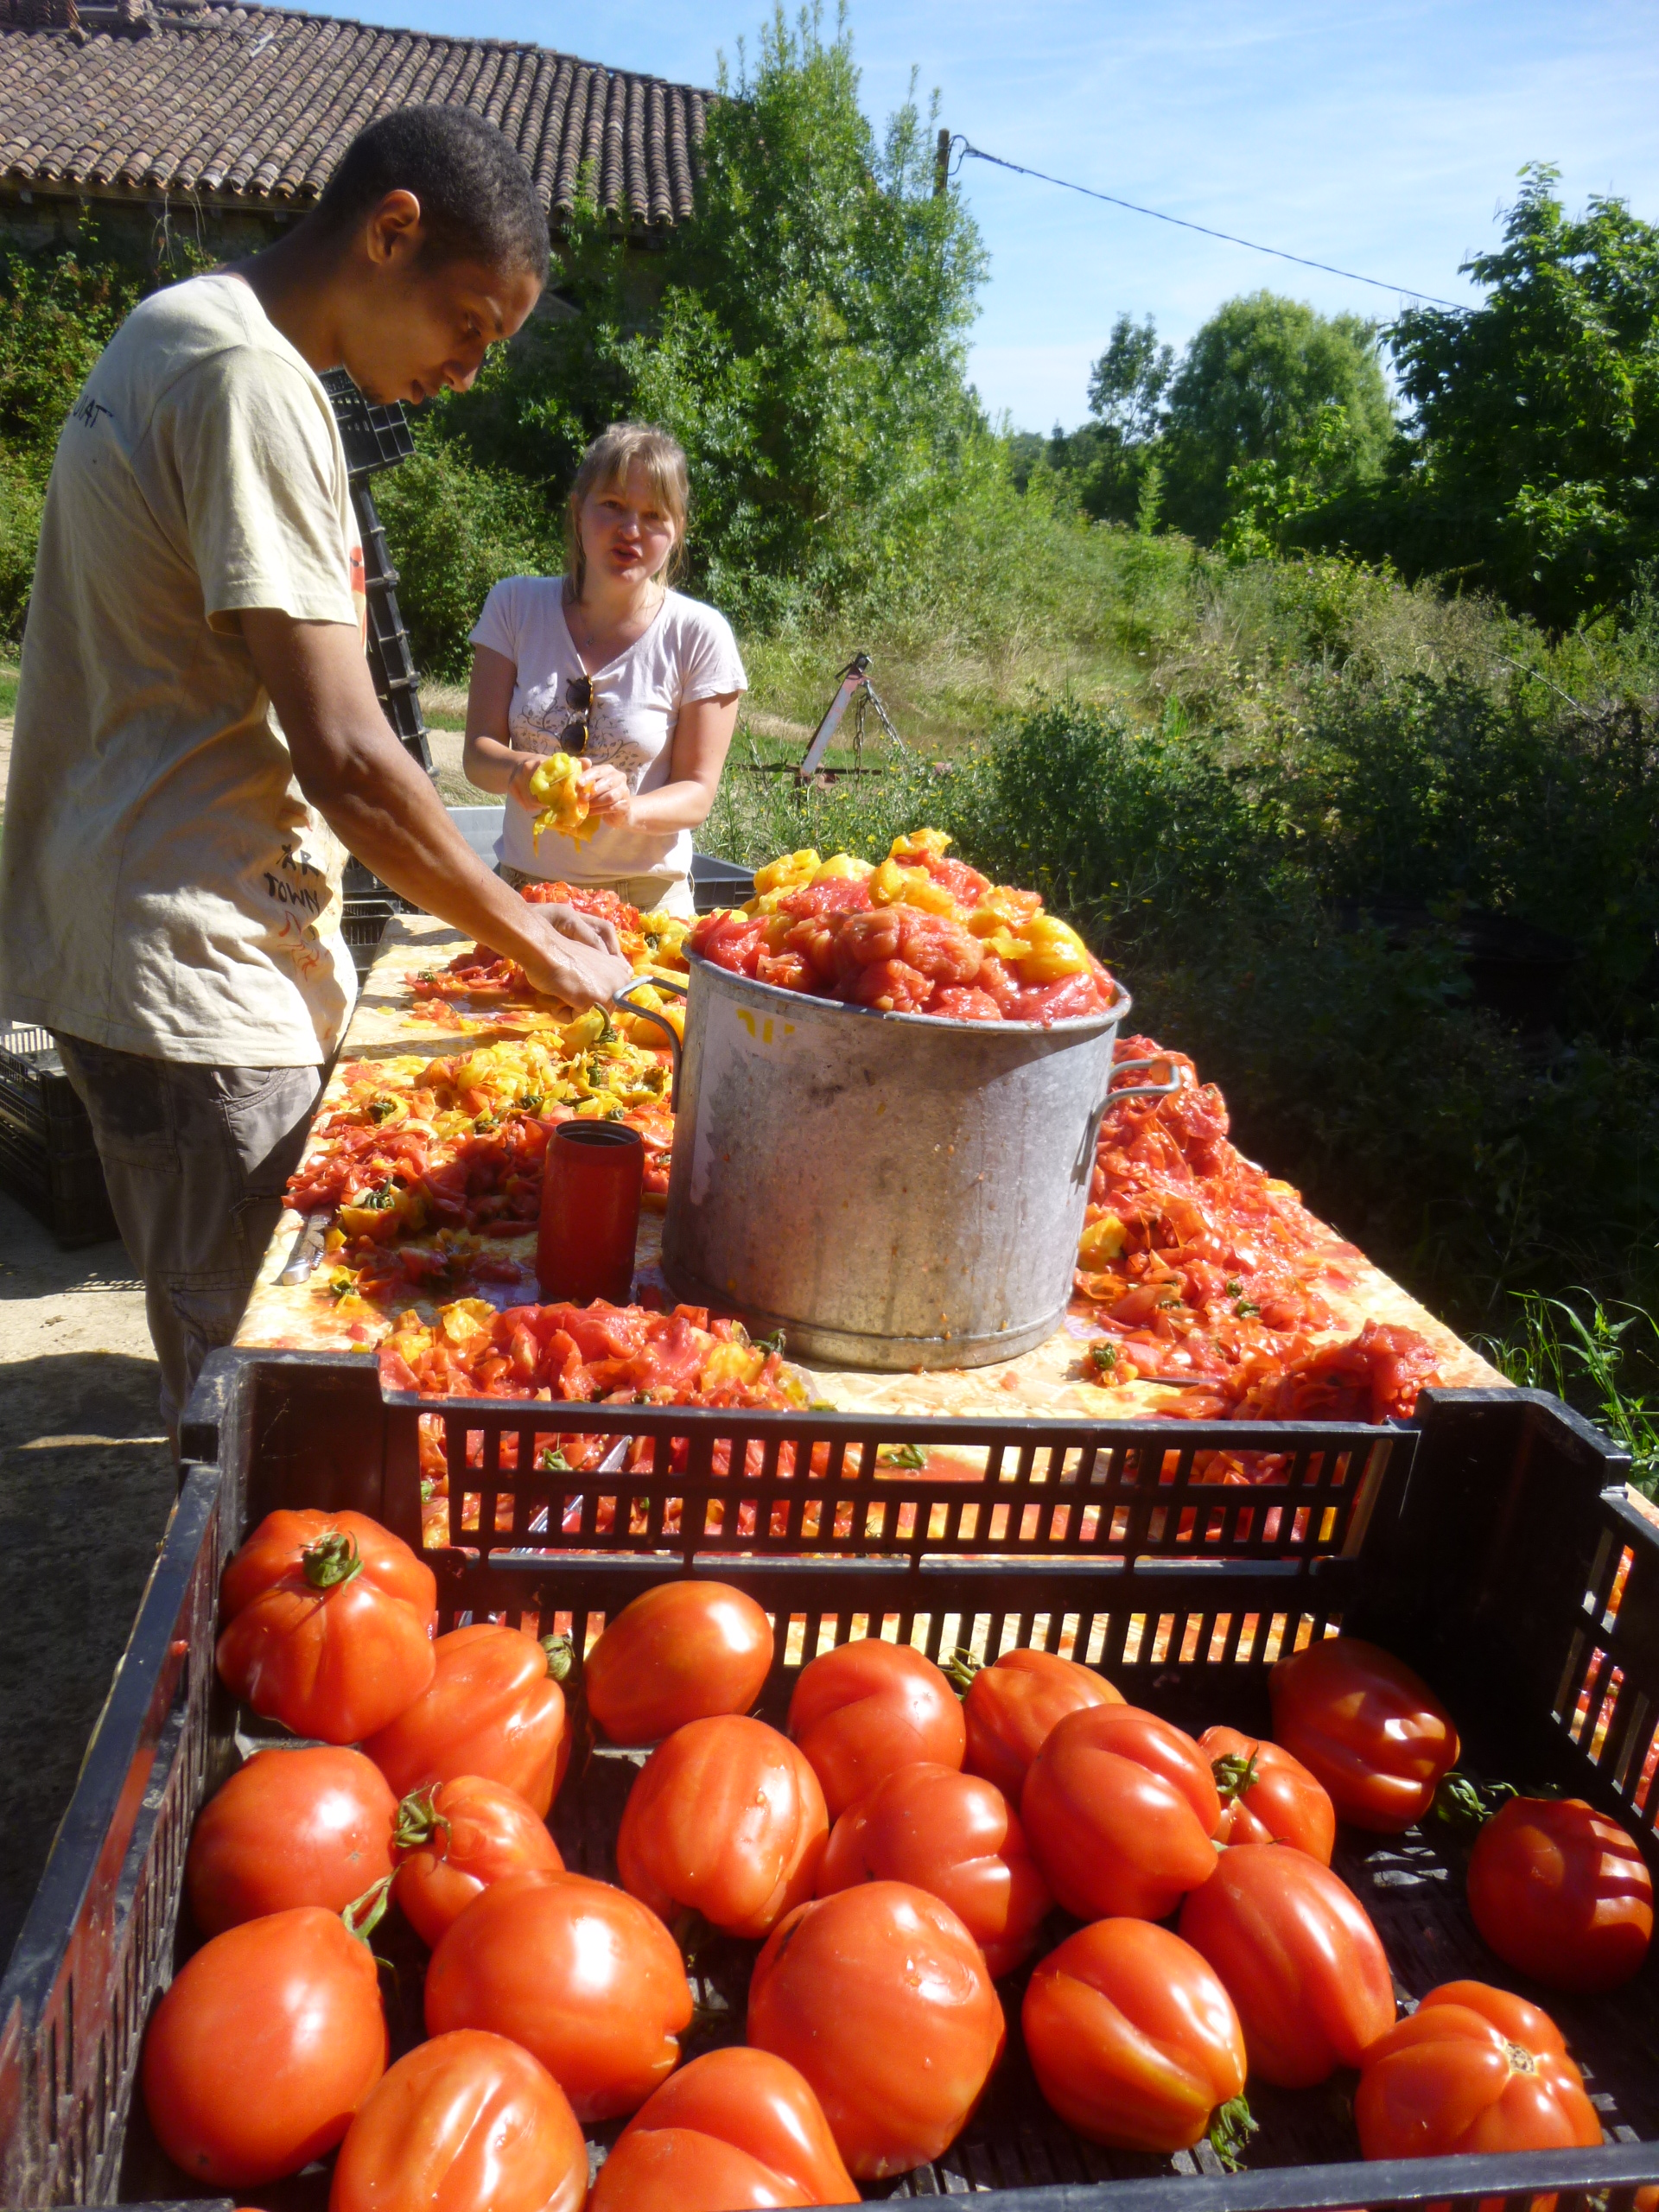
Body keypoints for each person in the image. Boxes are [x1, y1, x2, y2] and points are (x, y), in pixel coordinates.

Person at [0, 105, 634, 1439]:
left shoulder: (187, 328)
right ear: (390, 232)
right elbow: (346, 752)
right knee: (264, 1405)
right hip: (192, 964)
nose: (470, 371)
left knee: (255, 1353)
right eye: (469, 324)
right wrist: (525, 936)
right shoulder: (251, 381)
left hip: (166, 926)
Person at [461, 423, 746, 918]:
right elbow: (478, 754)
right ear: (578, 511)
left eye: (653, 515)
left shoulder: (700, 633)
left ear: (677, 530)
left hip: (647, 904)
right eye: (612, 505)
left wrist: (628, 807)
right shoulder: (514, 605)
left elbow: (697, 794)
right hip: (525, 898)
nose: (630, 530)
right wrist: (520, 771)